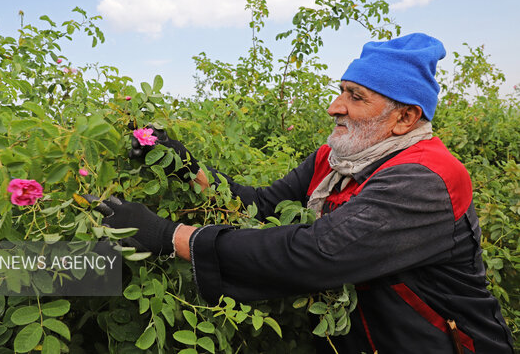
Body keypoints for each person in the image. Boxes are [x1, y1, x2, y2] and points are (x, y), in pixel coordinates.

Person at [86, 33, 515, 353]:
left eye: (355, 97)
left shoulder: (427, 178)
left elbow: (317, 252)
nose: (335, 105)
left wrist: (170, 237)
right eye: (342, 90)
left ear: (404, 118)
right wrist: (184, 165)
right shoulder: (334, 159)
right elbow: (259, 205)